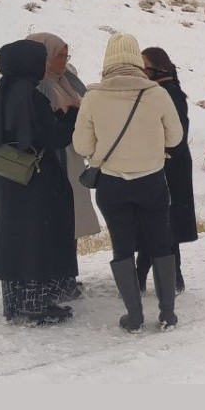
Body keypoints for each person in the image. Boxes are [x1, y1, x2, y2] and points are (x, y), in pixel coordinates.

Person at [73, 33, 184, 332]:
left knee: (121, 247)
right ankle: (167, 314)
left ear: (107, 59)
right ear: (137, 59)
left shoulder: (94, 96)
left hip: (112, 184)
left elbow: (82, 146)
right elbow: (175, 138)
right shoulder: (157, 94)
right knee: (160, 242)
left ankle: (133, 315)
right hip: (152, 182)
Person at [0, 39, 76, 325]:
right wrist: (71, 120)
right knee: (37, 238)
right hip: (36, 176)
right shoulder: (32, 96)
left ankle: (14, 303)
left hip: (7, 176)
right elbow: (52, 136)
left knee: (13, 240)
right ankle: (36, 305)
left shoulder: (1, 91)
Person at [26, 32, 101, 301]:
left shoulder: (65, 79)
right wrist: (72, 122)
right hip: (51, 162)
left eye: (67, 55)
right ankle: (54, 280)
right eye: (59, 55)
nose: (64, 60)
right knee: (55, 222)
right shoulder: (36, 85)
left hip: (71, 158)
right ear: (43, 56)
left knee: (70, 221)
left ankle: (68, 277)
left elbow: (87, 101)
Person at [135, 47, 197, 295]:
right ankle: (169, 275)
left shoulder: (168, 94)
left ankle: (162, 275)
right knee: (161, 221)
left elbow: (175, 137)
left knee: (162, 221)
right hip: (167, 164)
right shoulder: (163, 91)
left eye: (144, 65)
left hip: (169, 166)